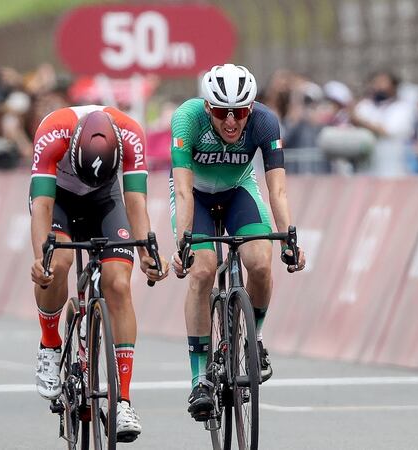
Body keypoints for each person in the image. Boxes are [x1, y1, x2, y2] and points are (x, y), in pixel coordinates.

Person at [169, 64, 306, 421]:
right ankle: (199, 380)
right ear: (207, 107)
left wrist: (289, 239)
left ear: (251, 108)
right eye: (221, 112)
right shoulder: (187, 118)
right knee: (202, 271)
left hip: (238, 191)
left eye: (240, 112)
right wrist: (183, 243)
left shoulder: (265, 122)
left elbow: (277, 189)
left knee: (260, 261)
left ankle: (253, 339)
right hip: (196, 196)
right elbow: (182, 191)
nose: (231, 121)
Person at [29, 106, 169, 442]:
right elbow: (42, 206)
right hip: (59, 199)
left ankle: (123, 401)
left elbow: (135, 202)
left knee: (118, 283)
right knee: (57, 262)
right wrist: (40, 259)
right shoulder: (53, 132)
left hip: (105, 199)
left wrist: (146, 254)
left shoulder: (131, 134)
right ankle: (50, 344)